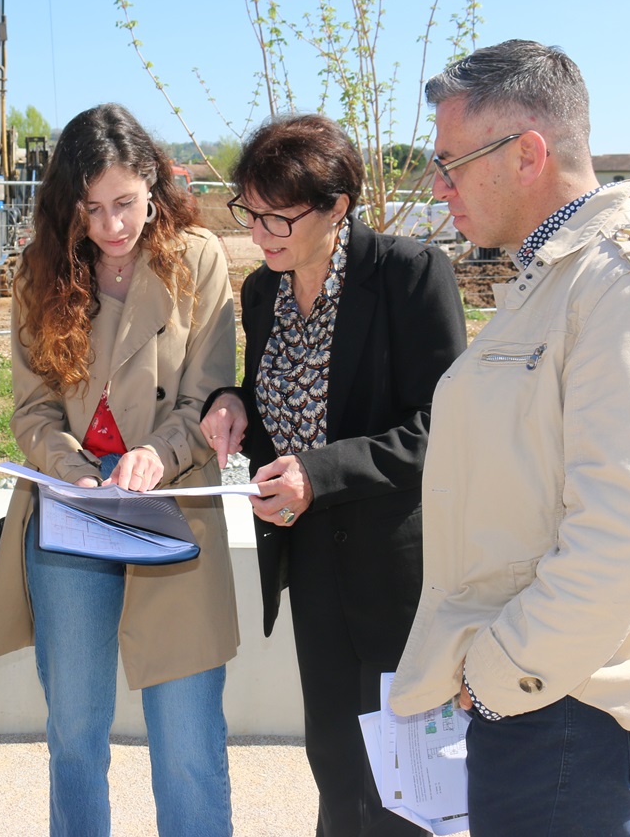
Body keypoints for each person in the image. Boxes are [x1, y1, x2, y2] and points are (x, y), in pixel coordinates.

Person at [389, 40, 630, 836]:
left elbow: (623, 535)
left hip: (570, 706)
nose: (438, 187)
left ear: (527, 154)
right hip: (546, 695)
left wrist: (496, 671)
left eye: (449, 163)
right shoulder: (558, 276)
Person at [199, 113, 467, 836]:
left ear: (337, 206)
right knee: (336, 765)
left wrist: (320, 474)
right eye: (249, 213)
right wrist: (231, 403)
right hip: (309, 559)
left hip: (398, 570)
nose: (259, 233)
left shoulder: (409, 276)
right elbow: (278, 398)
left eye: (277, 217)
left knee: (407, 780)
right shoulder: (263, 293)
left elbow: (441, 425)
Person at [0, 103, 239, 837]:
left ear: (154, 183)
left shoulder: (199, 258)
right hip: (70, 508)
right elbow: (31, 411)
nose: (110, 226)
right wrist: (77, 475)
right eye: (91, 209)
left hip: (174, 509)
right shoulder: (41, 271)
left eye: (124, 204)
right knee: (74, 736)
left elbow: (210, 391)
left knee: (188, 742)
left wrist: (158, 453)